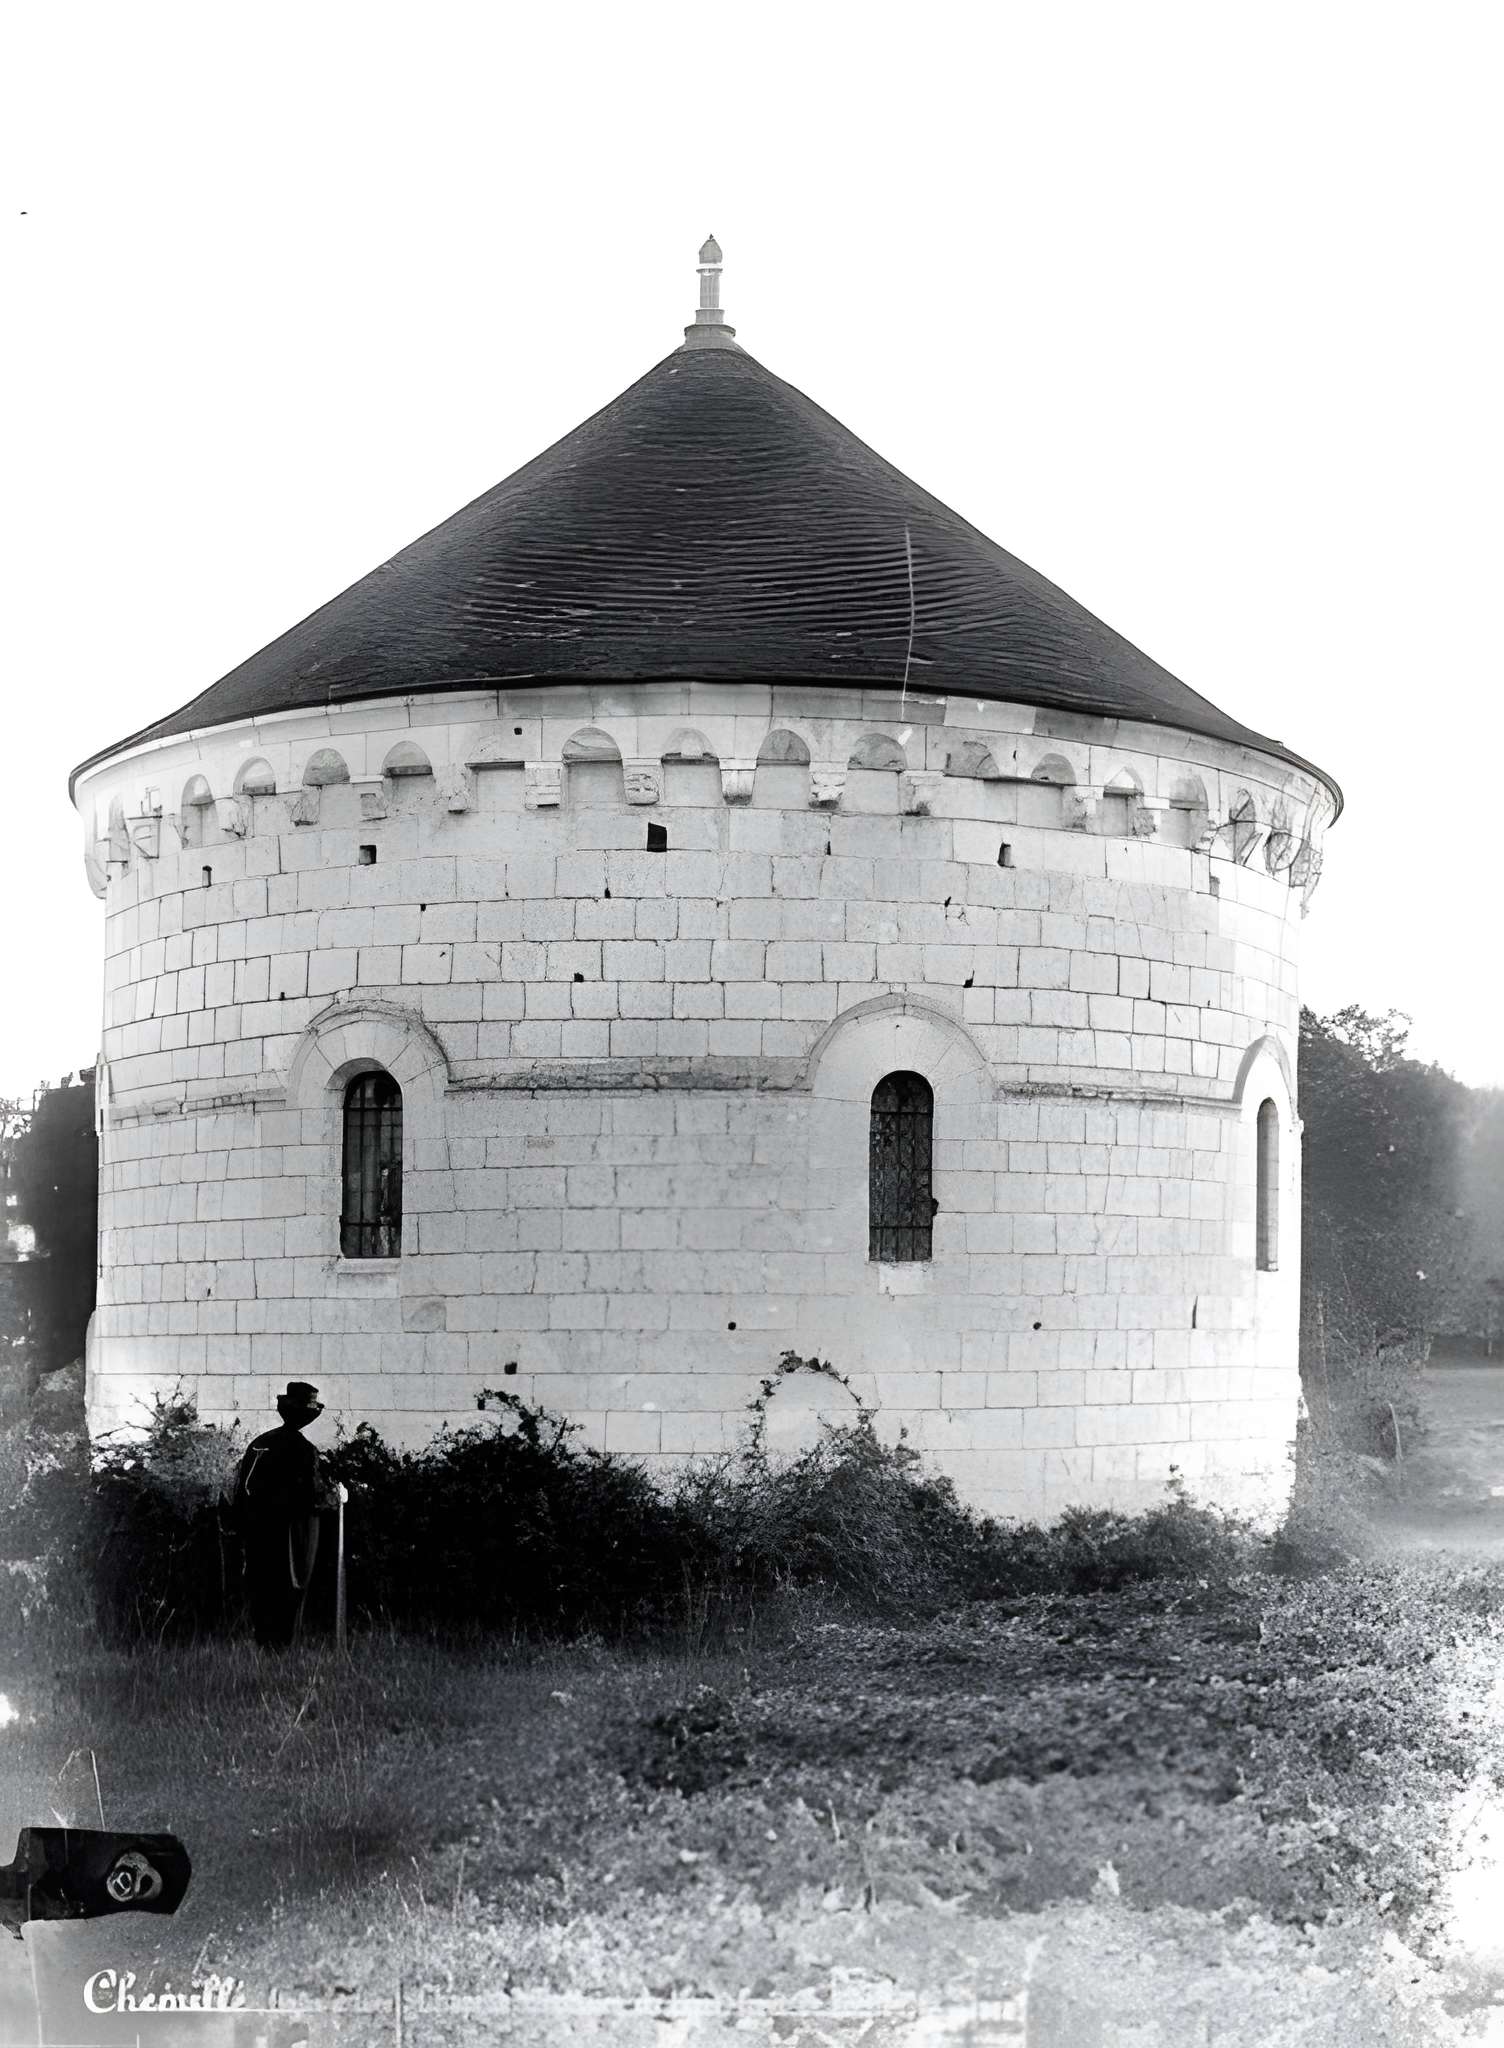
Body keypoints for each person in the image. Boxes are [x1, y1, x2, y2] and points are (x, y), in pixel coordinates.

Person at [226, 1381, 333, 1647]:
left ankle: (264, 1641)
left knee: (262, 1582)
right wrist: (336, 1496)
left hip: (258, 1529)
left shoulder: (258, 1444)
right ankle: (283, 1644)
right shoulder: (304, 1450)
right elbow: (313, 1495)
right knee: (290, 1583)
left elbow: (241, 1489)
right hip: (291, 1530)